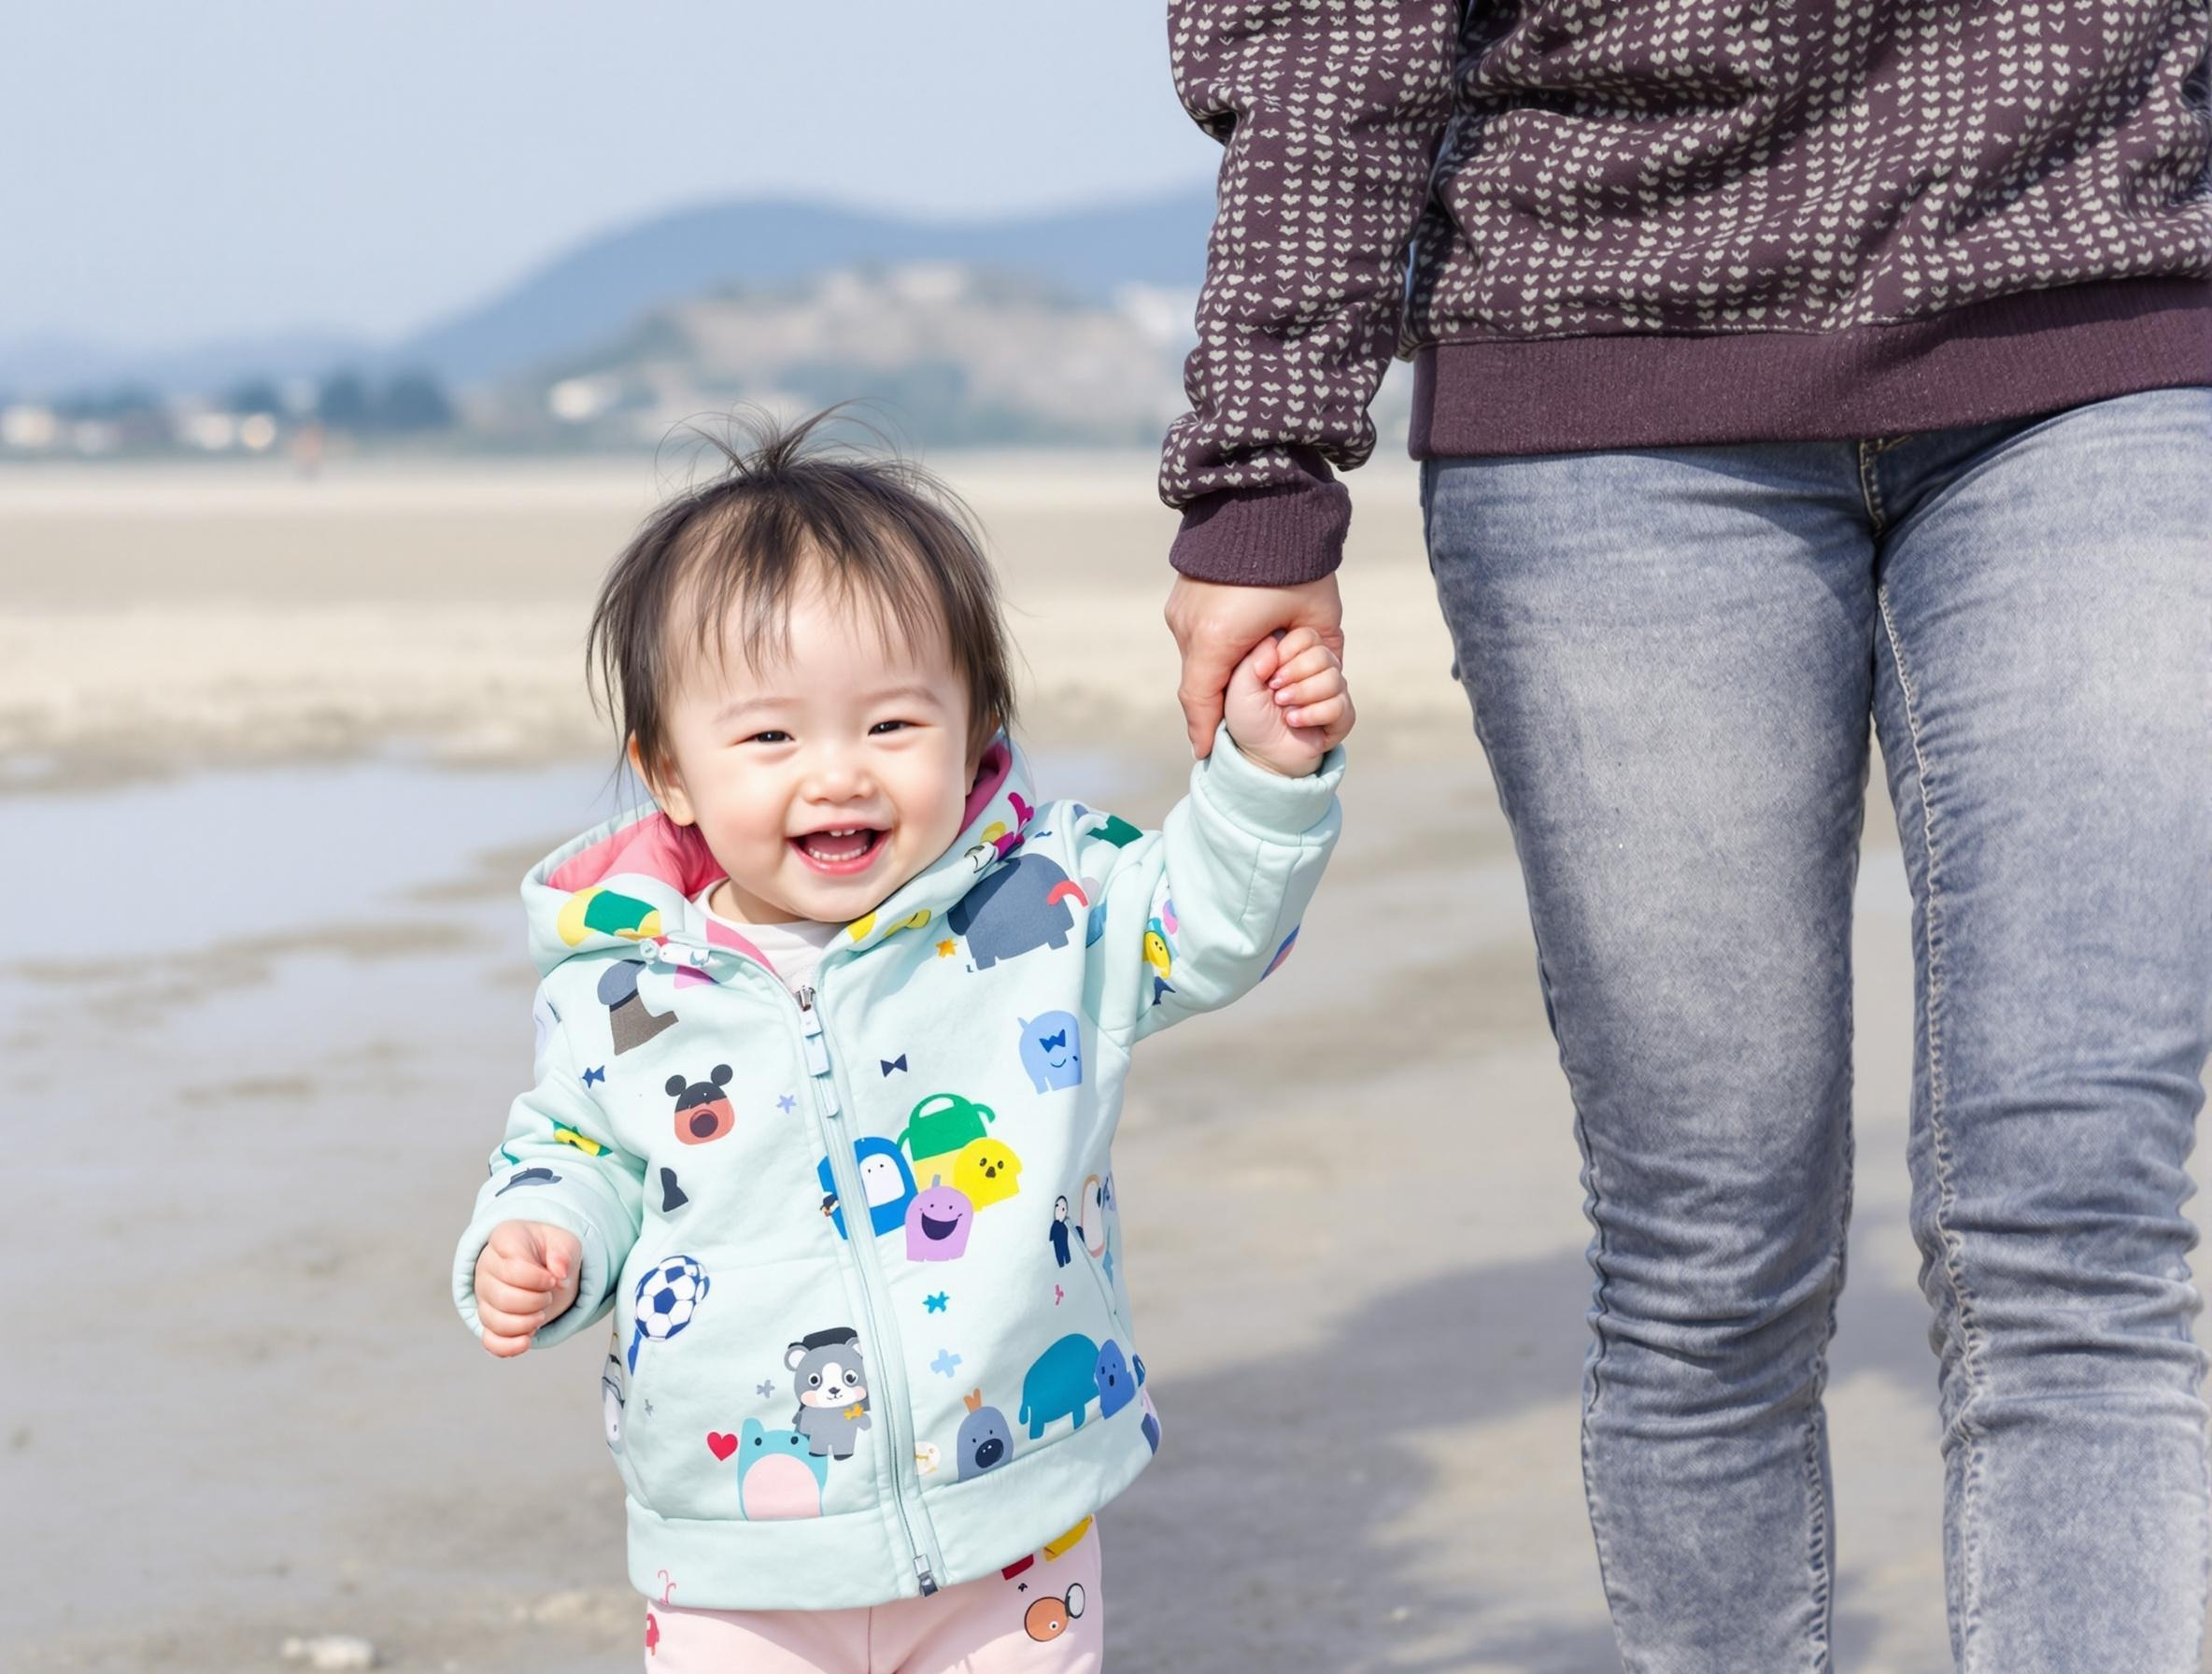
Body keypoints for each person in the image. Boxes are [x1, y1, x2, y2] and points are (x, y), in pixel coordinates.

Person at [1158, 5, 2212, 1670]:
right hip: (1604, 368)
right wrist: (1262, 470)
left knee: (2080, 1221)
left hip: (2108, 319)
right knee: (1711, 1253)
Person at [449, 412, 1350, 1672]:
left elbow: (1209, 926)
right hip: (738, 1546)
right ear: (670, 774)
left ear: (976, 725)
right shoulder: (626, 980)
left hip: (1011, 1524)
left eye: (890, 726)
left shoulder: (1045, 904)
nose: (837, 776)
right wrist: (540, 1239)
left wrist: (1265, 773)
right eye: (769, 738)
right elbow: (578, 1147)